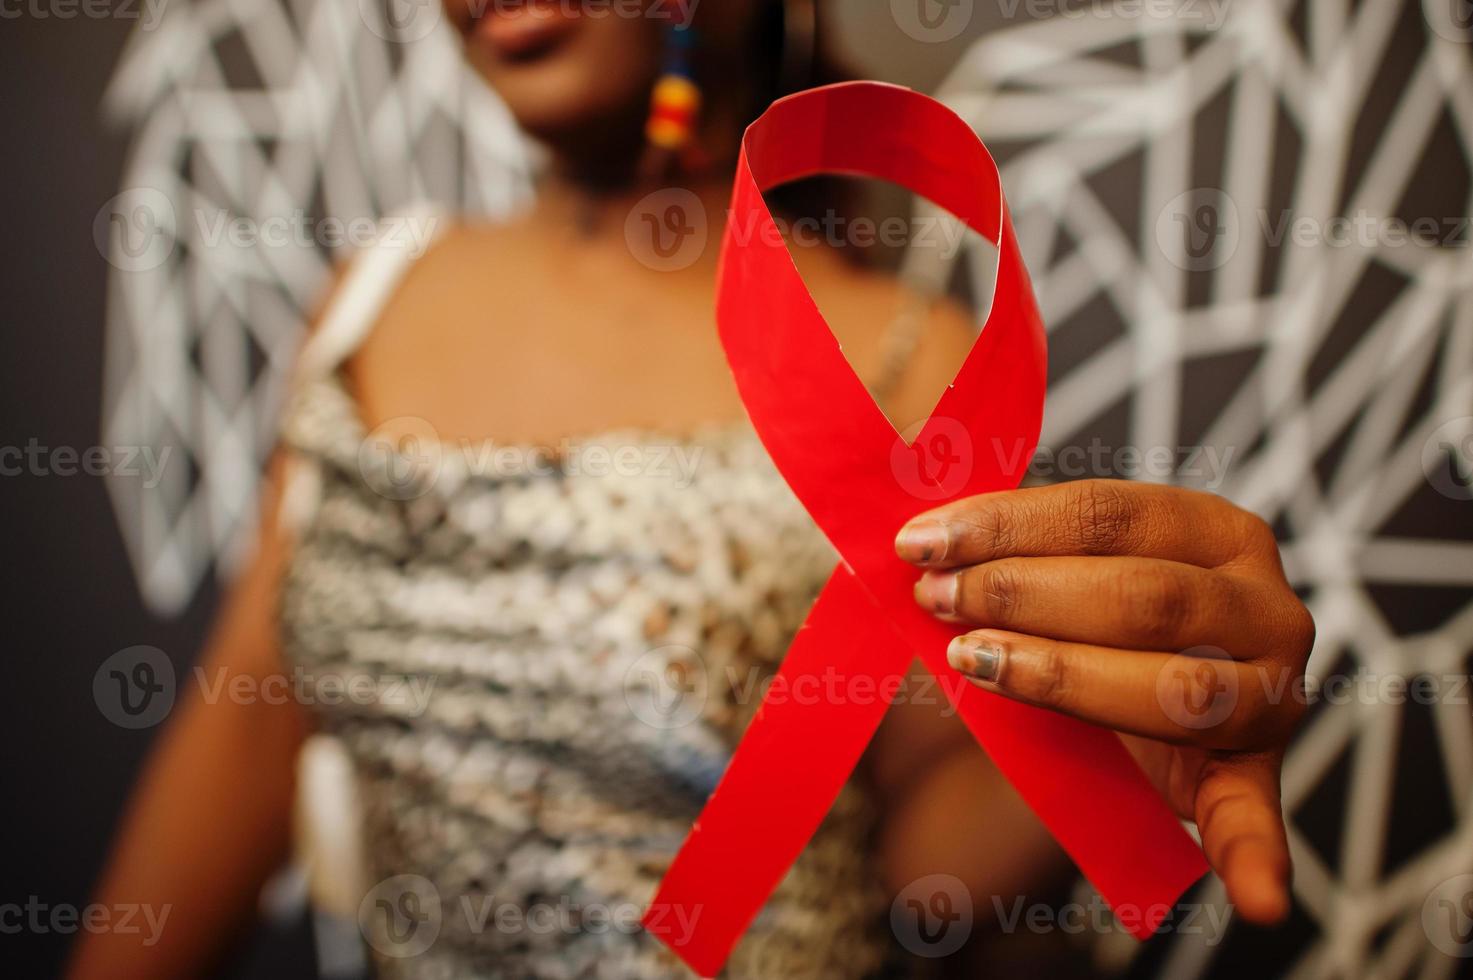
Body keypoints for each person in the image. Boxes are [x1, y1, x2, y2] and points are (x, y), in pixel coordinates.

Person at [70, 1, 1314, 976]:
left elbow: (912, 876)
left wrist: (1106, 752)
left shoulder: (902, 371)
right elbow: (241, 725)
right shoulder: (373, 294)